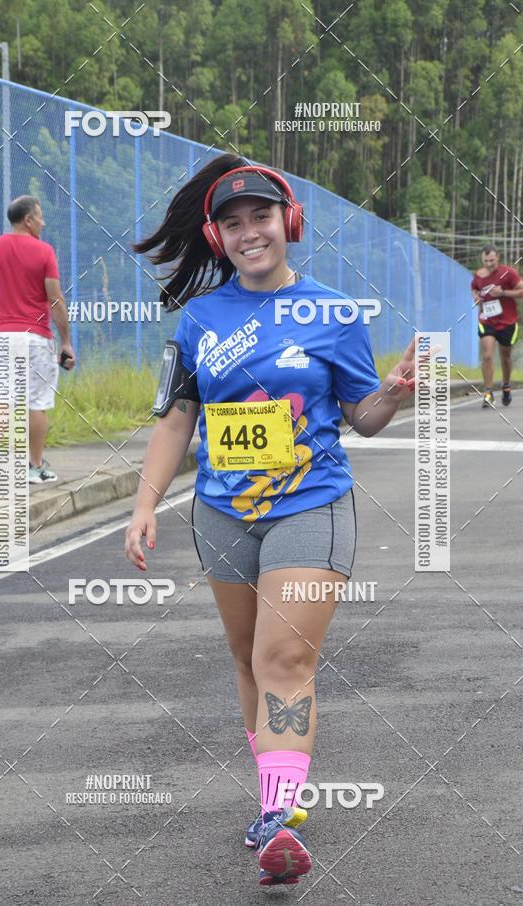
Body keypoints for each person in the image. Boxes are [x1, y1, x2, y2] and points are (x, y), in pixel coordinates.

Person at [124, 154, 417, 887]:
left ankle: (279, 816)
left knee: (284, 659)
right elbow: (176, 419)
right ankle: (274, 793)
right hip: (223, 512)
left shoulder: (334, 313)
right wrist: (144, 505)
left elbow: (362, 417)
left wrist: (393, 392)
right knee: (247, 656)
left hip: (311, 504)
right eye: (233, 223)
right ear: (216, 237)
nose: (249, 232)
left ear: (289, 223)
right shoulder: (200, 319)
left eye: (262, 216)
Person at [0, 195, 75, 485]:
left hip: (1, 337)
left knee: (0, 397)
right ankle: (34, 465)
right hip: (35, 338)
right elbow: (55, 299)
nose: (43, 222)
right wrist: (66, 340)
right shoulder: (44, 252)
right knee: (36, 403)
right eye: (40, 216)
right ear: (28, 220)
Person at [471, 245, 523, 408]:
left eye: (492, 261)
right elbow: (474, 288)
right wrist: (476, 297)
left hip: (507, 321)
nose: (488, 264)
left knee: (505, 356)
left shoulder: (508, 273)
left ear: (498, 257)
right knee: (487, 355)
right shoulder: (479, 274)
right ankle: (488, 393)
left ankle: (506, 385)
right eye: (485, 261)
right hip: (487, 320)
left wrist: (503, 293)